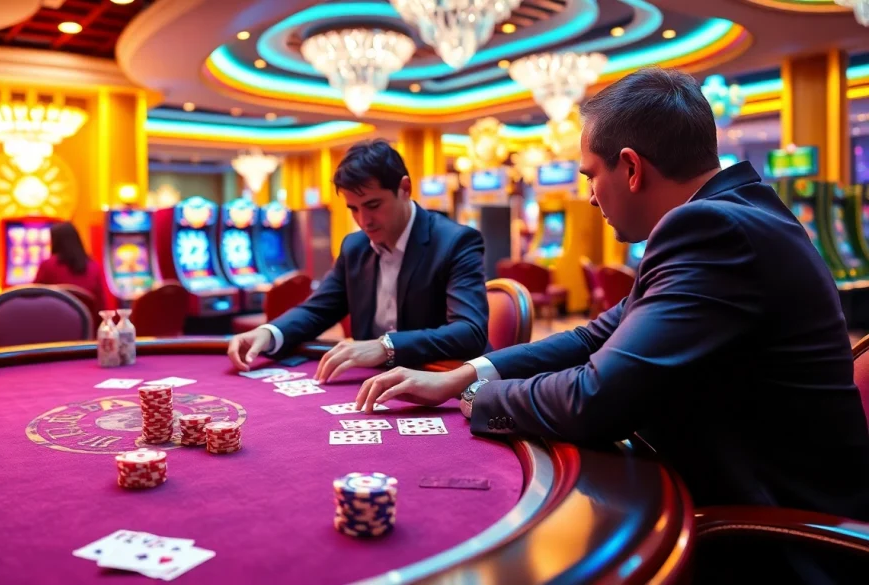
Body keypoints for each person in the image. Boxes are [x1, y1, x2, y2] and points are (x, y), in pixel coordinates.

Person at [354, 68, 869, 583]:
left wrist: (475, 402)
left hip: (773, 542)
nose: (592, 197)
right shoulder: (724, 215)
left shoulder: (712, 230)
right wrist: (464, 375)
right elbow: (592, 336)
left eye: (588, 176)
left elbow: (596, 400)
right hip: (736, 487)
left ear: (630, 168)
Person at [227, 139, 490, 381]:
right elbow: (318, 309)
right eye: (353, 208)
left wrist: (385, 345)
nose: (364, 221)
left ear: (404, 188)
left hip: (440, 383)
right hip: (372, 380)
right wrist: (269, 332)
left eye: (373, 205)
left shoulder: (456, 242)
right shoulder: (355, 246)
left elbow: (469, 332)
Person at [34, 221, 107, 310]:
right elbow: (101, 303)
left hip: (54, 319)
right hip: (89, 321)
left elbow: (35, 296)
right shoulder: (94, 266)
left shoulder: (47, 265)